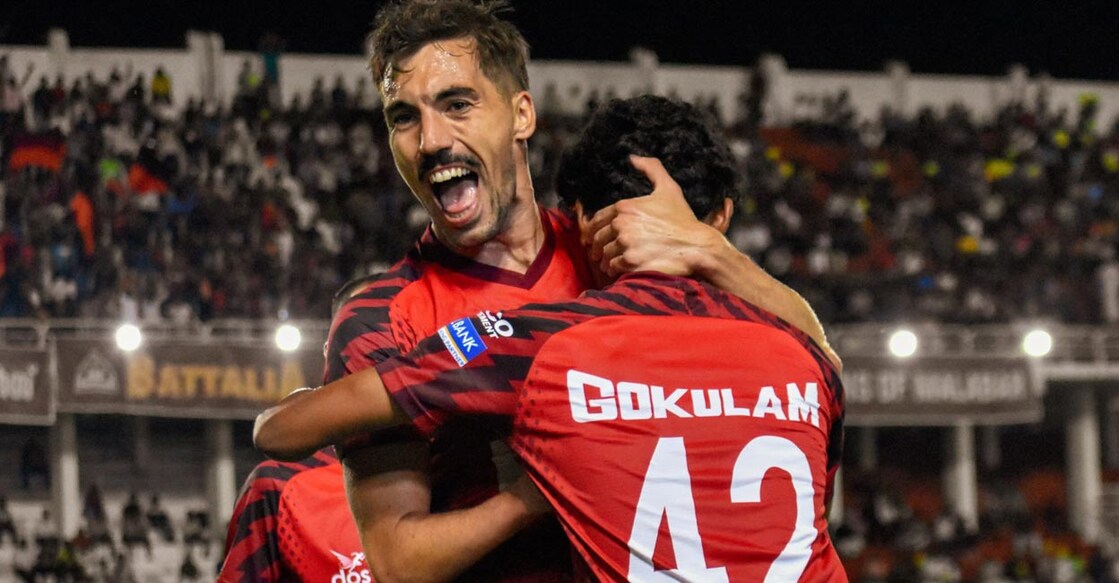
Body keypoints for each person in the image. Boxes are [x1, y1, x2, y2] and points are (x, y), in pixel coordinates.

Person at [222, 1, 837, 581]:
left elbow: (811, 364)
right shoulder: (381, 318)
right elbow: (399, 562)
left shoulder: (611, 251)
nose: (431, 139)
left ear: (521, 114)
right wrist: (538, 489)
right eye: (403, 117)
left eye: (457, 104)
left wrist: (710, 251)